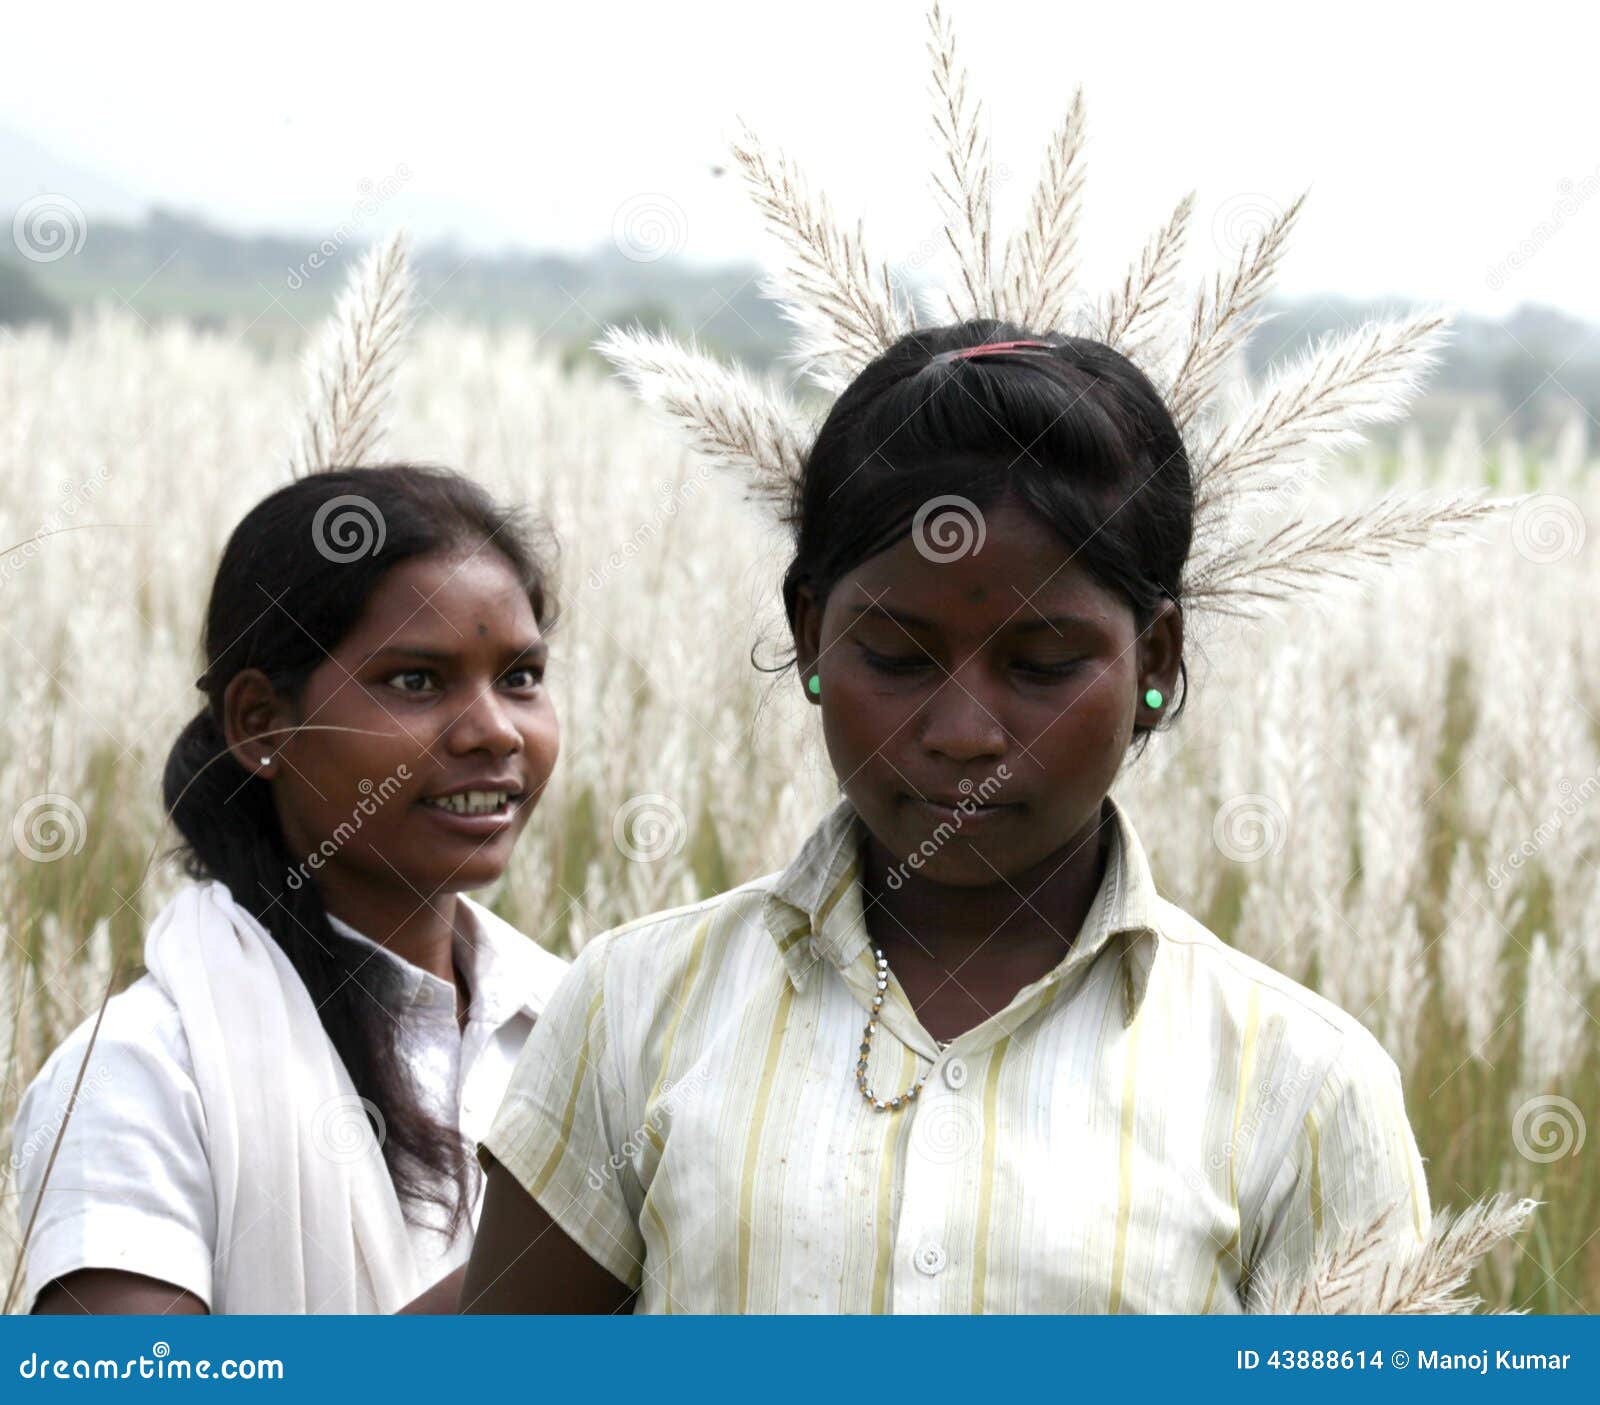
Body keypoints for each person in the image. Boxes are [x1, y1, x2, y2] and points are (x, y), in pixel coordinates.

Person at [460, 325, 1433, 1314]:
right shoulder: (635, 1004)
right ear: (809, 636)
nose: (964, 733)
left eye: (1044, 666)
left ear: (1156, 658)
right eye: (894, 655)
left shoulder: (1303, 1085)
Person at [12, 464, 570, 1314]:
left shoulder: (583, 1027)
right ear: (261, 723)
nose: (494, 729)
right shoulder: (147, 1071)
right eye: (416, 680)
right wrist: (530, 1279)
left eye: (520, 676)